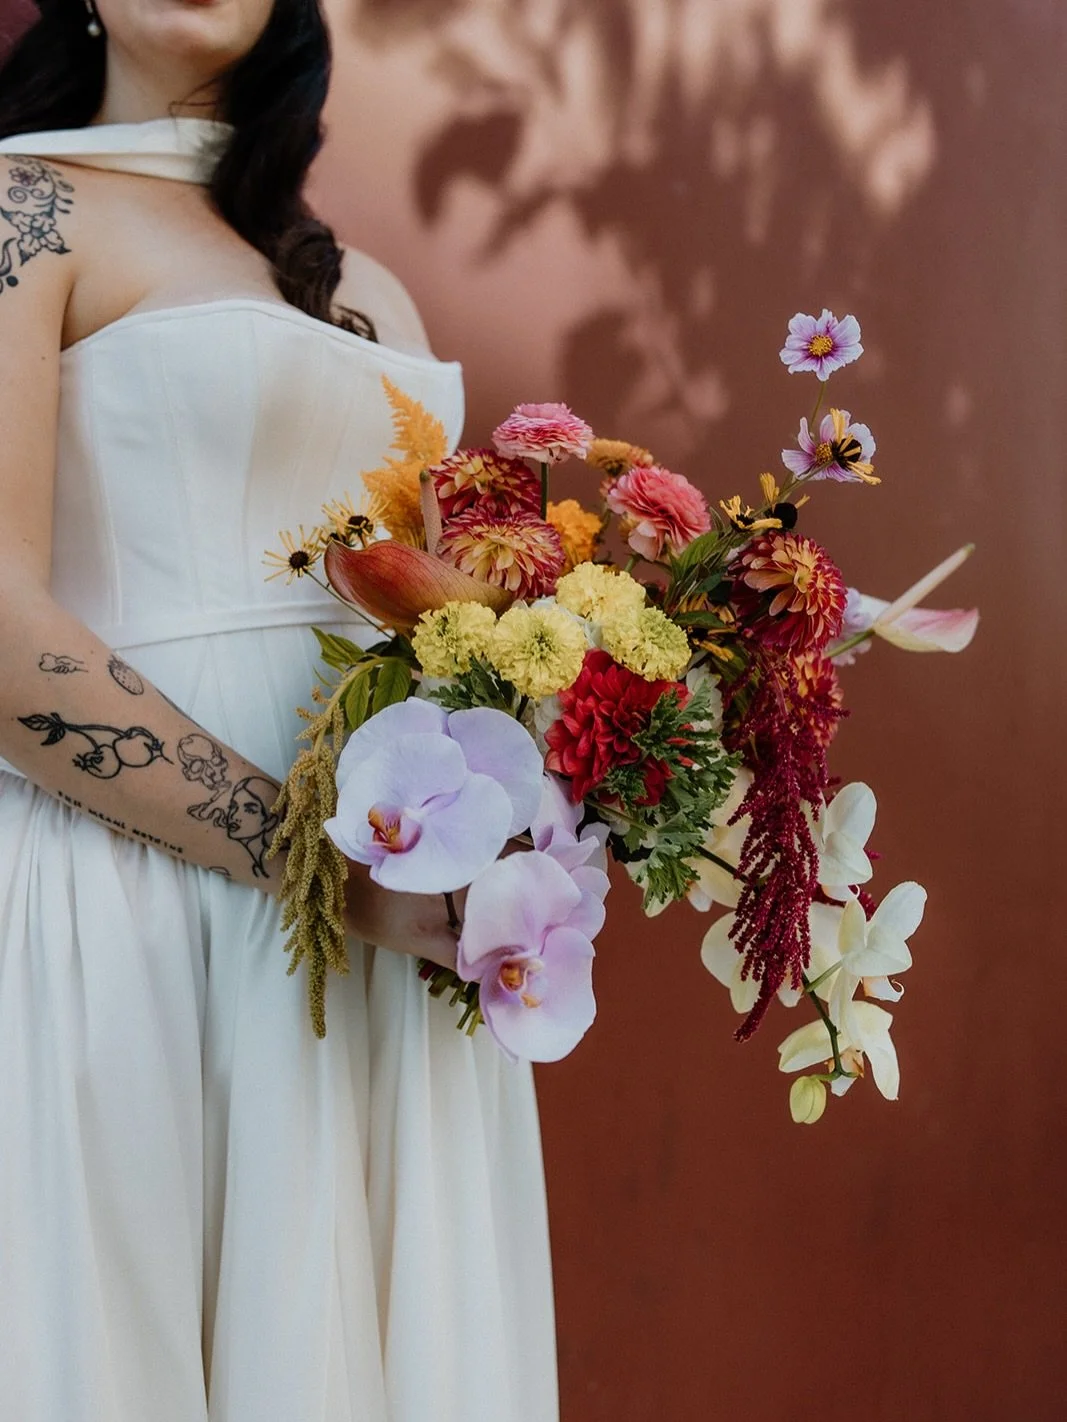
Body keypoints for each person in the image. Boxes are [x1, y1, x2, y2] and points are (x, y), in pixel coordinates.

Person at [0, 2, 557, 1419]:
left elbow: (433, 629)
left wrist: (526, 819)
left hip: (381, 922)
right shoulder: (24, 206)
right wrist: (313, 860)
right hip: (136, 899)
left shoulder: (366, 286)